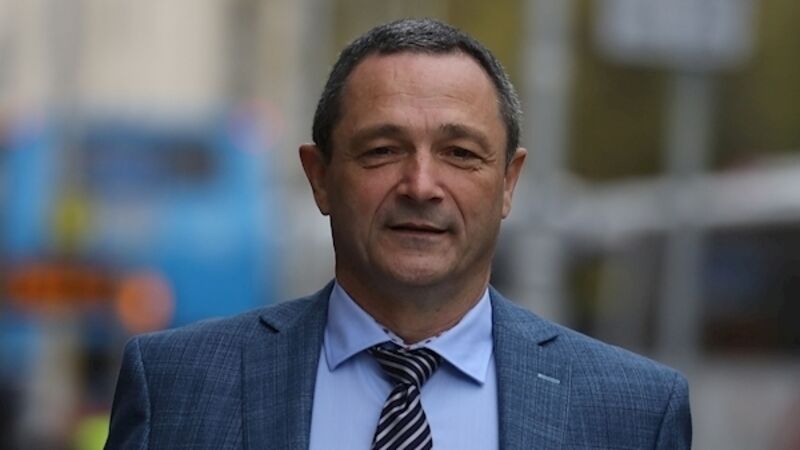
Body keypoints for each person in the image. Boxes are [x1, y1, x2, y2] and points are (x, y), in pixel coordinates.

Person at [105, 18, 691, 449]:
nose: (421, 185)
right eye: (383, 150)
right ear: (320, 177)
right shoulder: (177, 386)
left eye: (460, 153)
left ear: (509, 183)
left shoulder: (632, 414)